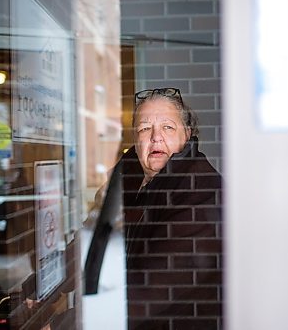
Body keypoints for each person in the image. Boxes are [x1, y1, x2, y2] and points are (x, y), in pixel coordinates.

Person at [85, 88, 223, 329]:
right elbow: (93, 234)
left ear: (187, 134)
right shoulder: (127, 172)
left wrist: (73, 319)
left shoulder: (201, 190)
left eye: (168, 127)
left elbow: (154, 289)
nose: (155, 137)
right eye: (145, 128)